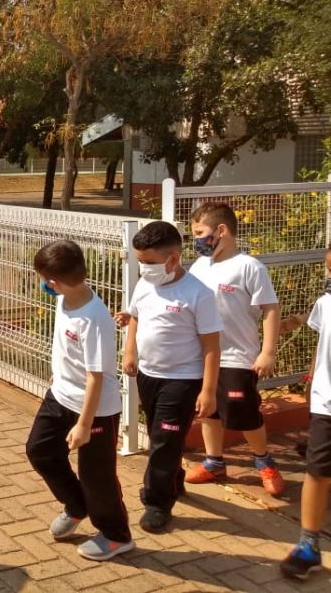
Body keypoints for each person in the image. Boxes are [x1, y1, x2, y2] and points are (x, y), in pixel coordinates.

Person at [26, 240, 133, 561]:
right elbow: (66, 349)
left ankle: (117, 535)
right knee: (40, 451)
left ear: (53, 282)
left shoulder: (94, 318)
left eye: (43, 280)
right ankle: (76, 505)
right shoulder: (64, 299)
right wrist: (57, 374)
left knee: (96, 476)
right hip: (60, 396)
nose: (42, 284)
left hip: (96, 409)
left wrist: (85, 425)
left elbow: (95, 377)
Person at [121, 220, 223, 533]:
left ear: (173, 259)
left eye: (149, 263)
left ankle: (157, 502)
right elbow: (136, 317)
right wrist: (129, 352)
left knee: (164, 441)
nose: (144, 268)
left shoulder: (199, 294)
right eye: (140, 261)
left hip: (183, 380)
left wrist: (208, 390)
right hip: (149, 375)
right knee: (159, 435)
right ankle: (172, 480)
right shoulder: (144, 285)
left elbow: (211, 347)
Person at [184, 202, 284, 496]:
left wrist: (267, 352)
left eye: (200, 232)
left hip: (237, 357)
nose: (196, 240)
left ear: (221, 230)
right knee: (208, 411)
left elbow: (271, 310)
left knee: (244, 413)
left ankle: (264, 462)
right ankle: (214, 462)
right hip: (202, 356)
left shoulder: (250, 267)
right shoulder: (200, 266)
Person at [280, 247, 331, 580]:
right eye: (329, 270)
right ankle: (308, 544)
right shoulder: (326, 304)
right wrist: (313, 381)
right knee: (317, 470)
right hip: (326, 404)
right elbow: (321, 342)